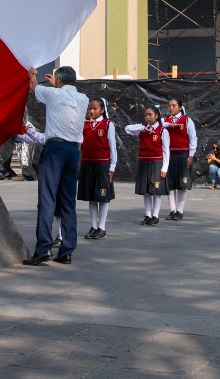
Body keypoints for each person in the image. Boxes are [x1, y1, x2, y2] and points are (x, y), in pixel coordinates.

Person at [24, 65, 86, 266]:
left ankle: (43, 248)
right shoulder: (83, 99)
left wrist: (33, 72)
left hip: (55, 149)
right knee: (68, 201)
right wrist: (56, 84)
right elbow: (63, 94)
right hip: (73, 150)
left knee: (47, 199)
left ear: (59, 80)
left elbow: (33, 87)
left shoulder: (53, 94)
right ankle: (67, 250)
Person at [78, 98, 117, 240]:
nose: (92, 111)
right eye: (90, 109)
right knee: (91, 198)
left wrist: (112, 167)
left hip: (102, 165)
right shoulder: (84, 125)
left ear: (102, 110)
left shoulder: (107, 125)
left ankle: (102, 227)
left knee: (103, 197)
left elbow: (112, 147)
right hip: (87, 164)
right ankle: (93, 226)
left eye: (95, 109)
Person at [125, 107, 170, 225]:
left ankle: (155, 215)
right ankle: (148, 215)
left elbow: (166, 151)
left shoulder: (162, 130)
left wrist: (164, 168)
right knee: (145, 191)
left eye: (150, 114)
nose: (148, 117)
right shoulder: (142, 129)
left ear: (156, 116)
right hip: (144, 162)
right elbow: (127, 129)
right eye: (146, 115)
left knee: (156, 190)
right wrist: (142, 128)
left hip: (156, 163)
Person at [161, 98, 197, 221]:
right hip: (169, 155)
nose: (171, 108)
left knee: (182, 184)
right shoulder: (164, 120)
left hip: (183, 155)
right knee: (170, 184)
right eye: (169, 105)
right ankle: (172, 210)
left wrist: (190, 155)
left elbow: (193, 139)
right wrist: (169, 125)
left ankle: (180, 211)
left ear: (180, 107)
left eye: (174, 105)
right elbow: (156, 124)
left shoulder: (187, 120)